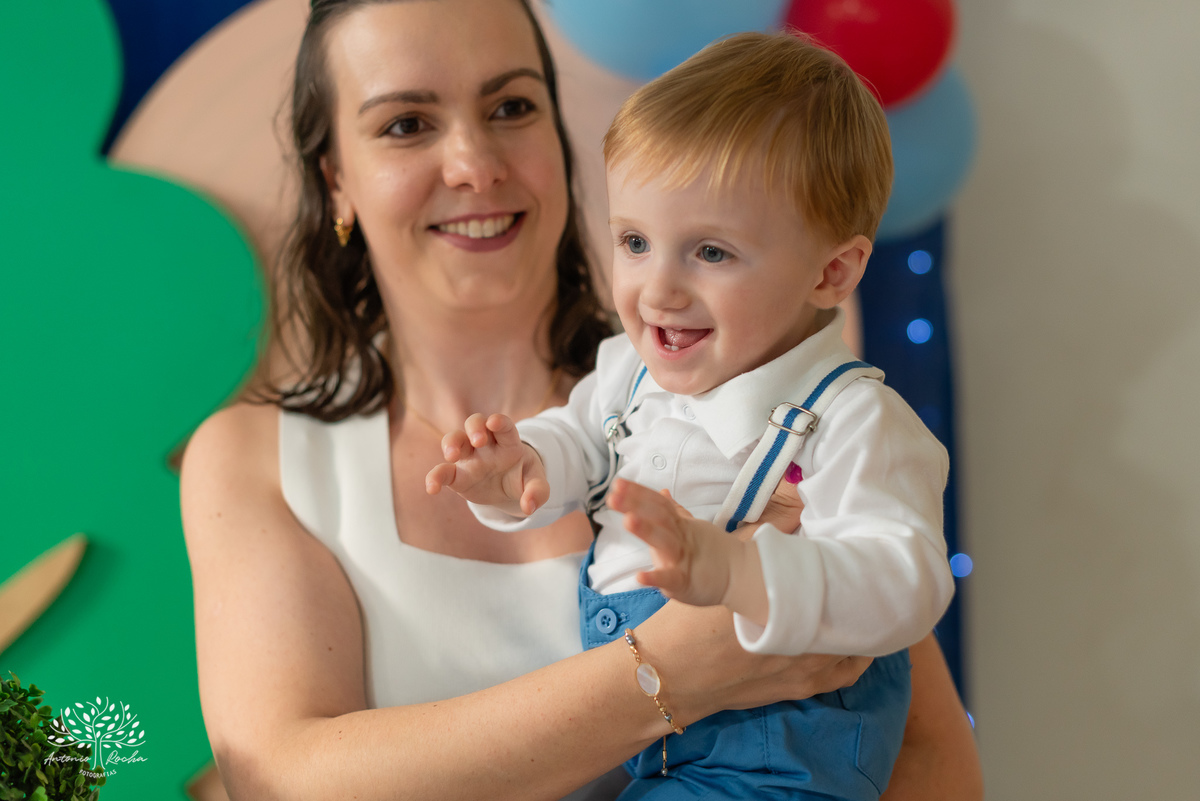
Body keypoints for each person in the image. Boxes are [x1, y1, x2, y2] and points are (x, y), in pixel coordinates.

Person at [179, 1, 983, 799]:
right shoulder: (262, 459)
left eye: (511, 106)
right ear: (336, 180)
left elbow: (930, 756)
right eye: (405, 125)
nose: (474, 163)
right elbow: (285, 779)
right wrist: (683, 667)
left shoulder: (761, 397)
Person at [427, 33, 954, 800]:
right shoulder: (627, 372)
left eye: (710, 252)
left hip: (782, 764)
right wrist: (519, 469)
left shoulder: (853, 420)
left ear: (830, 271)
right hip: (658, 750)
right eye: (636, 241)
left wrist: (743, 573)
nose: (658, 289)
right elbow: (579, 440)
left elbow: (906, 582)